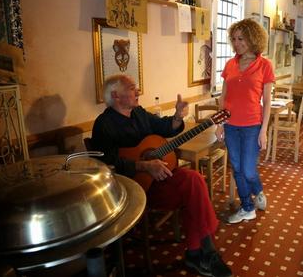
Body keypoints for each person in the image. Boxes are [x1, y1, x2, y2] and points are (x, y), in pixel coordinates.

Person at [91, 74, 232, 277]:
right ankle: (202, 254)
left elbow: (164, 127)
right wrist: (144, 165)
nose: (138, 91)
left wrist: (177, 117)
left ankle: (200, 252)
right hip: (133, 190)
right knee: (193, 190)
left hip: (159, 180)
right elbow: (108, 163)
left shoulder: (139, 113)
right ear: (116, 95)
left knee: (195, 180)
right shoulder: (103, 124)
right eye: (132, 88)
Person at [215, 18, 275, 224]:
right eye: (234, 39)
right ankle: (247, 207)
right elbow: (224, 97)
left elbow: (267, 101)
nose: (237, 43)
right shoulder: (230, 64)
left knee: (248, 169)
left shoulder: (265, 65)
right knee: (237, 168)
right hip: (230, 125)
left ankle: (257, 189)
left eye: (241, 38)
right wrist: (219, 124)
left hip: (252, 125)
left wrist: (263, 130)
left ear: (253, 38)